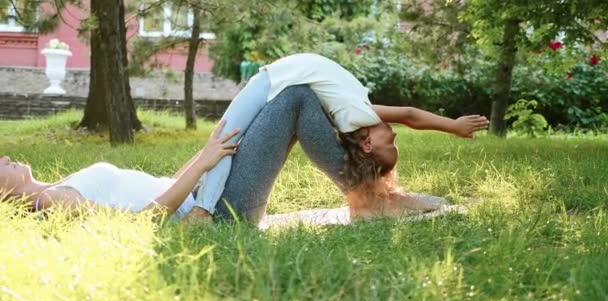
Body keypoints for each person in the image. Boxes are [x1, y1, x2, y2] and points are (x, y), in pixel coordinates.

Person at [190, 53, 489, 221]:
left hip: (227, 210)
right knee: (229, 135)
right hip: (230, 206)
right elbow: (407, 117)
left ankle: (203, 210)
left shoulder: (356, 115)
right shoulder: (350, 110)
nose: (393, 131)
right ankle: (372, 198)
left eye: (391, 141)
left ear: (368, 144)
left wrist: (454, 125)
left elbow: (409, 115)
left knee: (229, 134)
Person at [0, 121, 239, 219]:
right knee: (268, 87)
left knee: (256, 93)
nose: (5, 157)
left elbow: (166, 183)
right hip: (209, 206)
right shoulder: (51, 199)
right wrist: (200, 165)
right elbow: (142, 221)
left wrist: (203, 153)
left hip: (201, 188)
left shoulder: (56, 188)